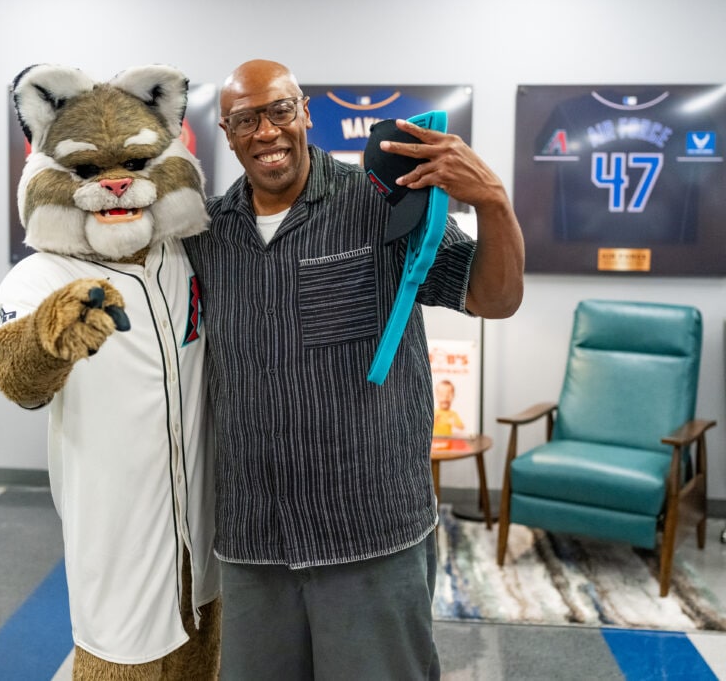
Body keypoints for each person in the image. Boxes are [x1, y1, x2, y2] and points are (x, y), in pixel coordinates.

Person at [182, 60, 524, 679]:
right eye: (246, 120)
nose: (267, 131)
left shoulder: (381, 205)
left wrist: (493, 200)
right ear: (227, 134)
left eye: (280, 110)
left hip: (369, 530)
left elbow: (494, 299)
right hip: (253, 535)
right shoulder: (206, 234)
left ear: (305, 113)